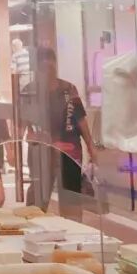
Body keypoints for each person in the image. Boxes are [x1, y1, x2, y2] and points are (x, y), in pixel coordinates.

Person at [28, 47, 97, 219]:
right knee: (37, 201)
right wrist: (24, 140)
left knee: (71, 200)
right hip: (42, 153)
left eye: (51, 65)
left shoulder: (68, 89)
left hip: (69, 151)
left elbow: (80, 119)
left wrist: (91, 146)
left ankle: (74, 227)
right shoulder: (30, 90)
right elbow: (21, 123)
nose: (48, 70)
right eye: (43, 66)